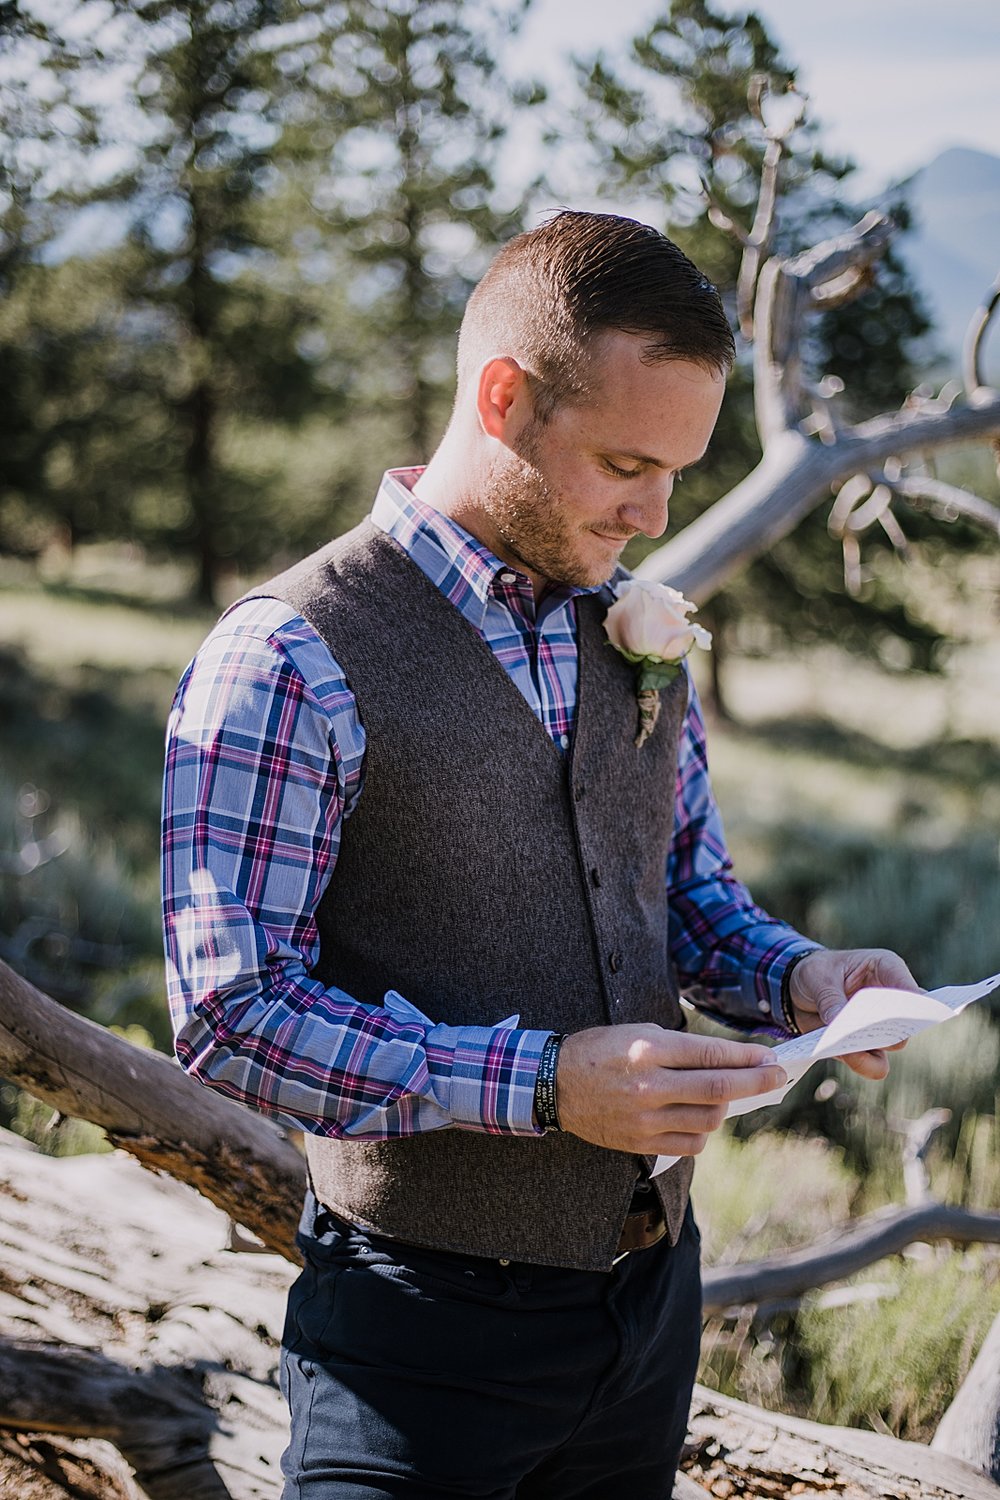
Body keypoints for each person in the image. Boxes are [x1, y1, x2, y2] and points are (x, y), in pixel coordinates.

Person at [162, 210, 918, 1500]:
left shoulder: (633, 629)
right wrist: (544, 1085)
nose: (654, 511)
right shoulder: (286, 656)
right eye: (626, 461)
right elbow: (229, 1020)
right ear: (503, 397)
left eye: (677, 470)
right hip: (418, 1336)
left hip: (649, 1308)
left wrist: (803, 980)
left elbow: (685, 897)